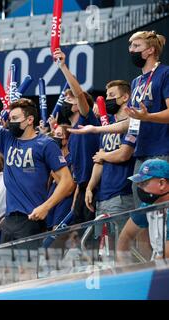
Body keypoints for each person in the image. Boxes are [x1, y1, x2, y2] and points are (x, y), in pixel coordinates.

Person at [0, 67, 74, 242]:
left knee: (27, 270)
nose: (10, 123)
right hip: (9, 219)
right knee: (6, 270)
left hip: (32, 217)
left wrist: (46, 207)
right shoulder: (7, 138)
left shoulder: (45, 144)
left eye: (15, 119)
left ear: (30, 120)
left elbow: (67, 182)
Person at [68, 31, 169, 208]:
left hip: (161, 151)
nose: (131, 50)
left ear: (151, 50)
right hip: (141, 154)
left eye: (136, 46)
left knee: (160, 210)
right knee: (141, 216)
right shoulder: (137, 82)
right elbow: (131, 122)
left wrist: (148, 116)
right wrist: (95, 129)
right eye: (130, 46)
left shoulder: (164, 73)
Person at [53, 48, 100, 224]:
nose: (65, 102)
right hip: (81, 189)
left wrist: (63, 66)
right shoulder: (71, 134)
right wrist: (76, 198)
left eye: (69, 99)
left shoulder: (87, 119)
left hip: (94, 186)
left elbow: (79, 93)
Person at [85, 80, 136, 225]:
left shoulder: (133, 122)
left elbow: (123, 154)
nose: (107, 100)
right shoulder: (107, 126)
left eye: (112, 95)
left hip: (122, 195)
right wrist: (90, 187)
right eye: (106, 96)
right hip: (102, 197)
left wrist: (104, 155)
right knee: (103, 247)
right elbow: (99, 162)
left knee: (121, 247)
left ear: (125, 97)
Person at [118, 159, 169, 260]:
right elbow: (125, 237)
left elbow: (167, 256)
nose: (139, 188)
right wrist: (124, 269)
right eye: (138, 184)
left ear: (162, 183)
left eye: (144, 183)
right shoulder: (147, 206)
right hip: (159, 268)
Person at [46, 125, 75, 230]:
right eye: (54, 134)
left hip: (64, 202)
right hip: (52, 200)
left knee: (56, 235)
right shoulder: (53, 158)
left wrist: (53, 170)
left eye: (59, 135)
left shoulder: (71, 159)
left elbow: (68, 188)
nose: (55, 138)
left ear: (66, 140)